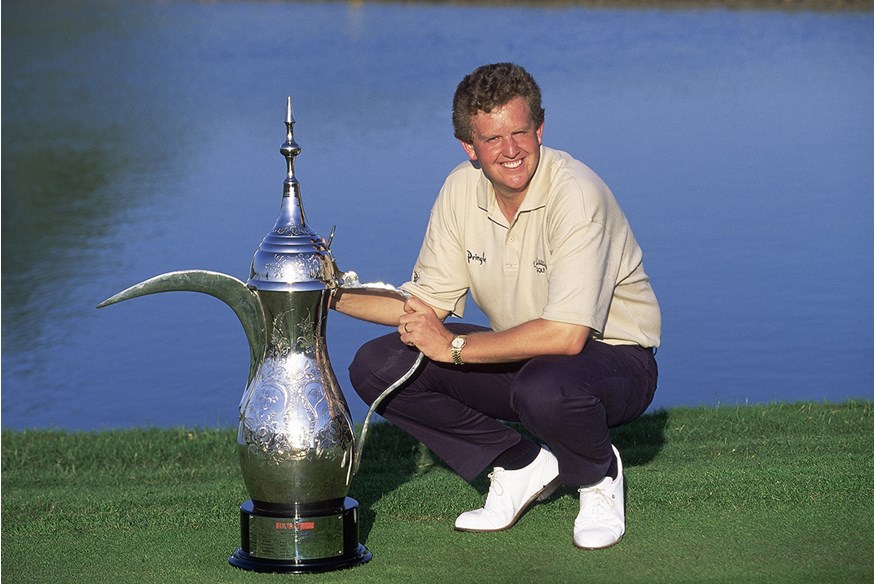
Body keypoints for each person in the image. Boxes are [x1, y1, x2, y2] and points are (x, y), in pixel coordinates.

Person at [331, 62, 660, 550]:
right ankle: (519, 464)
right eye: (493, 139)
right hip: (527, 356)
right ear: (470, 147)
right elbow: (422, 305)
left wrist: (455, 348)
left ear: (539, 129)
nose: (511, 150)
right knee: (380, 365)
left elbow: (567, 337)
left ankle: (597, 476)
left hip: (615, 361)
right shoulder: (460, 189)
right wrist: (327, 294)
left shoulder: (577, 194)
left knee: (545, 386)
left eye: (521, 132)